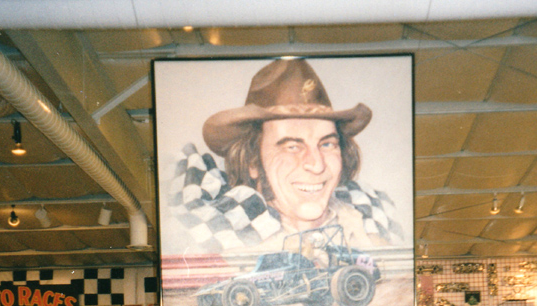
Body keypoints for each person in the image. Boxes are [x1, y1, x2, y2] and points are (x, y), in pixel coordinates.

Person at [167, 58, 404, 254]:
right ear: (252, 161)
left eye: (327, 144)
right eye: (292, 146)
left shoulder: (371, 214)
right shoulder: (218, 230)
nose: (317, 165)